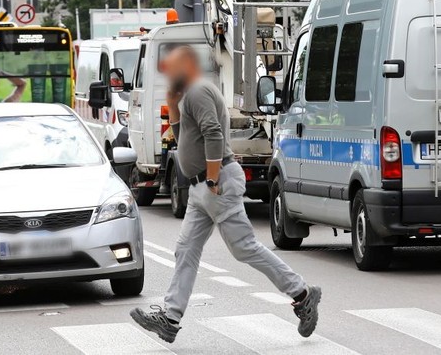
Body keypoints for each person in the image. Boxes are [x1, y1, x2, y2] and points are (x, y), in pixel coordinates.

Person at [131, 47, 320, 343]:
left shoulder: (199, 91)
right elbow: (183, 142)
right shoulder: (188, 95)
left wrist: (213, 177)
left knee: (243, 247)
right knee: (186, 249)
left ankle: (302, 293)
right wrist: (172, 104)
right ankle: (170, 318)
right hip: (200, 187)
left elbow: (214, 133)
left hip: (214, 182)